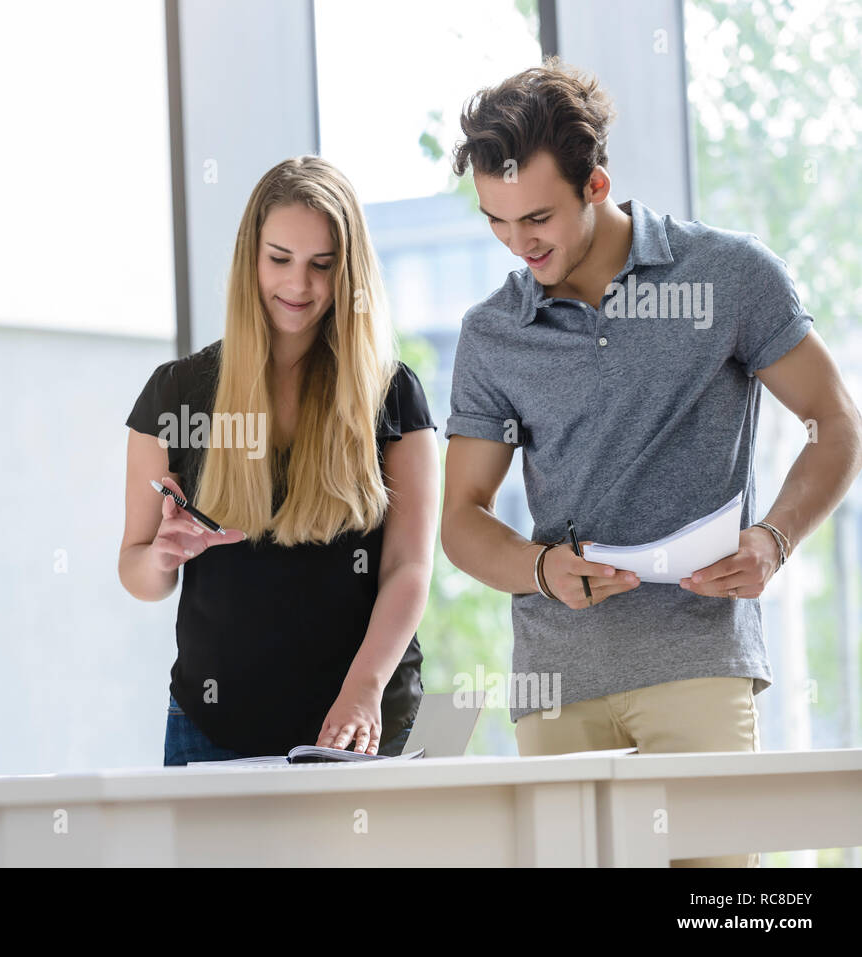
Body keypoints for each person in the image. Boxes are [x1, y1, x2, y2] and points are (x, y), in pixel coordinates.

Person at [440, 57, 862, 866]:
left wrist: (773, 539)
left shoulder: (732, 275)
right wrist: (538, 568)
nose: (517, 242)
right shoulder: (491, 332)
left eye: (537, 218)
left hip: (698, 664)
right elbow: (462, 518)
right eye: (496, 220)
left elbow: (835, 421)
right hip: (556, 679)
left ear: (595, 185)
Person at [119, 155, 439, 765]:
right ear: (251, 259)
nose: (299, 286)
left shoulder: (393, 394)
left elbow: (408, 567)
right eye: (280, 260)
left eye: (323, 265)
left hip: (365, 723)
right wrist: (161, 556)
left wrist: (363, 689)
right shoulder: (176, 394)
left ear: (349, 273)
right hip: (211, 728)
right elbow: (136, 570)